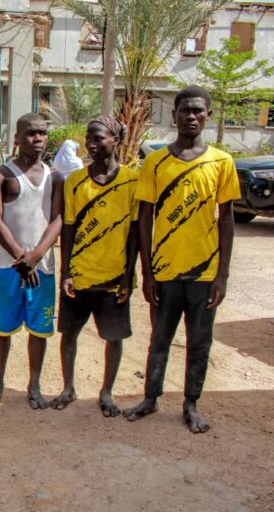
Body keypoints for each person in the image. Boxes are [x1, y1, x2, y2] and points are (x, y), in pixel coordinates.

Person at [123, 86, 240, 433]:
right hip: (165, 270)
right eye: (185, 110)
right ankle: (150, 398)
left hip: (204, 273)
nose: (191, 116)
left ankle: (191, 404)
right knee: (159, 338)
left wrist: (223, 275)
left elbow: (228, 219)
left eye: (198, 111)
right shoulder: (156, 161)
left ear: (208, 115)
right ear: (174, 114)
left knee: (199, 342)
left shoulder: (221, 161)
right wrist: (147, 271)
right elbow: (145, 217)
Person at [50, 116, 138, 417]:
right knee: (69, 335)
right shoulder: (75, 181)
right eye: (88, 138)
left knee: (113, 338)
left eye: (99, 138)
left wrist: (128, 277)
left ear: (115, 140)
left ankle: (107, 393)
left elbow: (135, 233)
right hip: (80, 276)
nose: (91, 143)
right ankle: (68, 388)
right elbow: (69, 230)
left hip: (113, 278)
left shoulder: (131, 181)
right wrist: (66, 273)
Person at [0, 113, 63, 408]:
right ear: (17, 138)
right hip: (8, 266)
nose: (38, 138)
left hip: (42, 268)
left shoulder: (54, 177)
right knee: (1, 328)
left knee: (39, 330)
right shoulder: (2, 175)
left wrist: (36, 255)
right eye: (31, 133)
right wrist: (20, 257)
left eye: (42, 133)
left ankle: (34, 385)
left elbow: (57, 219)